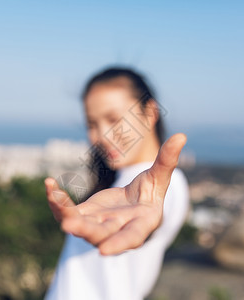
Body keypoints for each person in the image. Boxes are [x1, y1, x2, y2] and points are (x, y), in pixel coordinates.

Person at [44, 67, 189, 300]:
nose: (102, 135)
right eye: (92, 124)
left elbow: (154, 210)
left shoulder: (164, 183)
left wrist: (139, 218)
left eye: (114, 119)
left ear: (150, 113)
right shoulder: (118, 179)